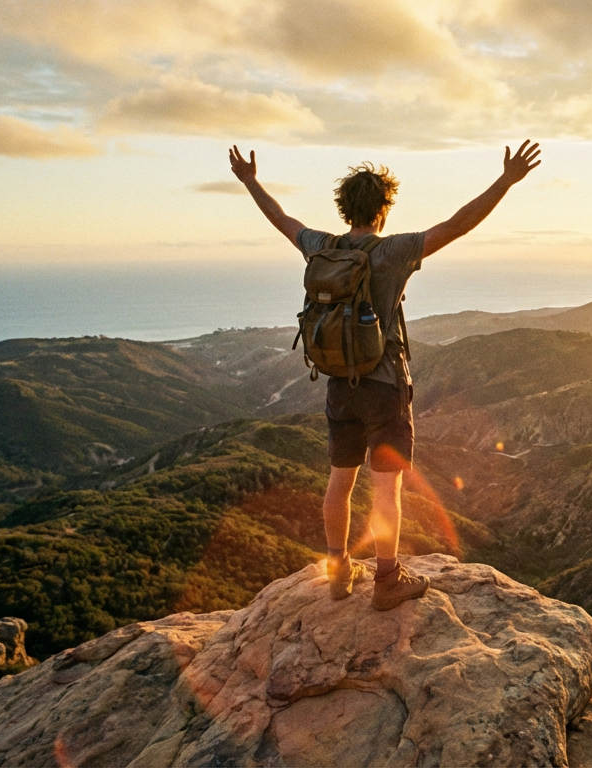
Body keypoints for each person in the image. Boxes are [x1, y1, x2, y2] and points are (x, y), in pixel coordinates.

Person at [228, 140, 542, 610]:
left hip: (338, 383)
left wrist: (251, 182)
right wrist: (505, 181)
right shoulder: (392, 251)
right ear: (383, 209)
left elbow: (283, 221)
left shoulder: (322, 247)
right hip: (384, 385)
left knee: (340, 479)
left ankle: (338, 570)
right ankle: (387, 580)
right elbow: (456, 225)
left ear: (344, 208)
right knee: (386, 489)